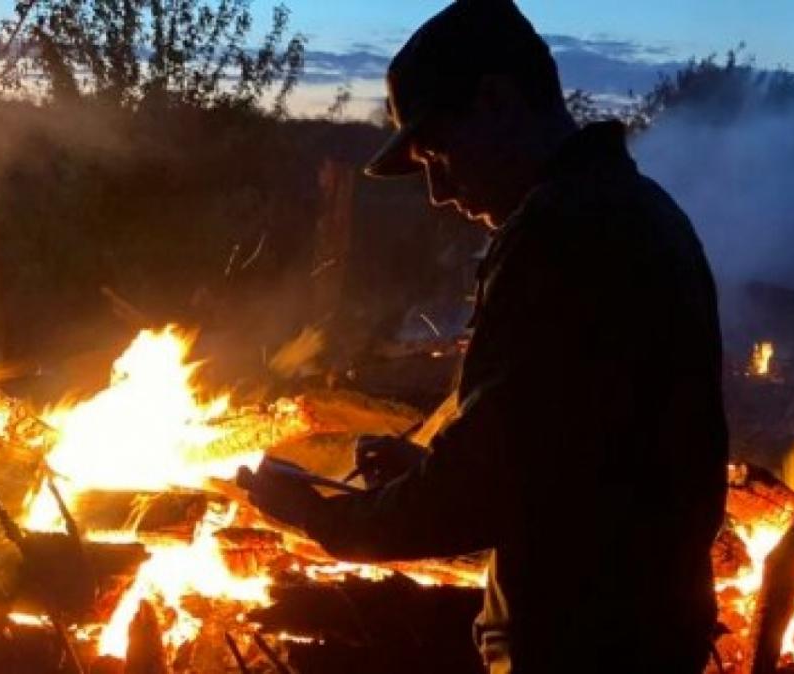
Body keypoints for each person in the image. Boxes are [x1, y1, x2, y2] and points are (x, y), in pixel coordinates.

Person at [237, 0, 729, 671]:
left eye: (437, 151)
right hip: (642, 633)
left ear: (496, 100)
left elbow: (484, 493)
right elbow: (569, 460)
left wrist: (316, 517)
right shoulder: (640, 210)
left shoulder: (559, 234)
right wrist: (428, 471)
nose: (437, 190)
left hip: (582, 648)